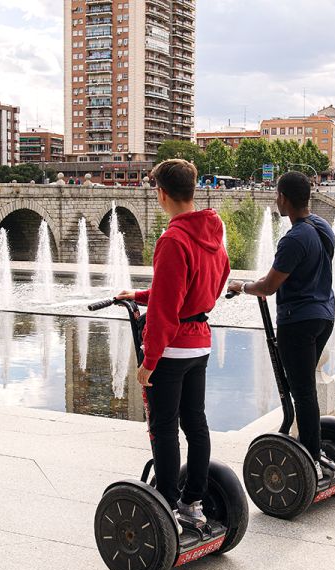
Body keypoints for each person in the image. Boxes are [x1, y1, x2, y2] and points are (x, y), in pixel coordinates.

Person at [116, 159, 230, 529]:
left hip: (174, 348)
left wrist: (149, 360)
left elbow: (167, 308)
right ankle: (193, 502)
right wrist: (137, 294)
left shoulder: (173, 239)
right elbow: (203, 286)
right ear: (191, 190)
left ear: (162, 194)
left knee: (163, 428)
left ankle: (165, 505)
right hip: (200, 344)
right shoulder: (213, 232)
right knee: (195, 424)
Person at [228, 171, 335, 481]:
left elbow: (269, 286)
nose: (276, 201)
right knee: (303, 389)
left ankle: (312, 459)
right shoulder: (323, 227)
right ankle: (311, 448)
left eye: (278, 195)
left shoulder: (294, 237)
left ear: (283, 199)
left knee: (302, 393)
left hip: (298, 321)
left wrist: (242, 286)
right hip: (324, 315)